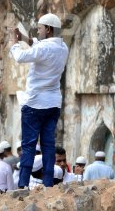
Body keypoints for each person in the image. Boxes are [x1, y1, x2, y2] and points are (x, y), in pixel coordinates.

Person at [9, 13, 69, 189]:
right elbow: (39, 45)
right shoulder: (63, 47)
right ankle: (48, 183)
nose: (37, 31)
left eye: (40, 28)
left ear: (48, 29)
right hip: (53, 104)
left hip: (35, 104)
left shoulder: (44, 49)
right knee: (48, 145)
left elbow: (20, 57)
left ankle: (22, 185)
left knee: (28, 145)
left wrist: (14, 40)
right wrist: (25, 38)